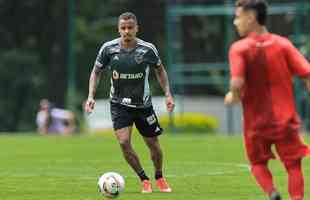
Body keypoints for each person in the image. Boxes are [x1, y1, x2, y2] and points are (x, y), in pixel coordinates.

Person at [225, 0, 310, 199]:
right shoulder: (283, 44)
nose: (235, 22)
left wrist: (233, 96)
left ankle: (272, 193)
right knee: (293, 166)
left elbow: (236, 82)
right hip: (285, 121)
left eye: (238, 17)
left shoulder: (239, 48)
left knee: (257, 164)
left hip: (256, 124)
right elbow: (307, 73)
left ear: (251, 17)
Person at [84, 12, 175, 193]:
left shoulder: (147, 49)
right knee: (124, 142)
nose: (127, 31)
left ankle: (159, 176)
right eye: (123, 28)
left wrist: (168, 94)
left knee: (153, 145)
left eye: (130, 28)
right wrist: (90, 96)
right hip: (119, 104)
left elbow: (160, 70)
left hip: (143, 105)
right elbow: (96, 72)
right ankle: (144, 179)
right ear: (119, 29)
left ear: (136, 28)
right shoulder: (108, 49)